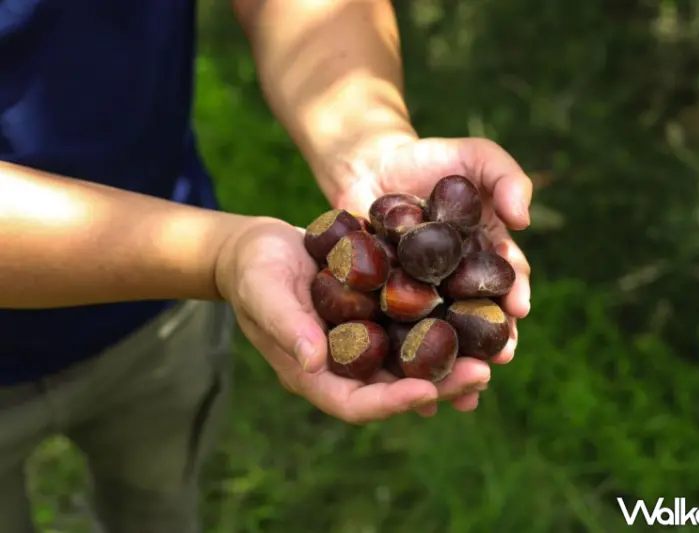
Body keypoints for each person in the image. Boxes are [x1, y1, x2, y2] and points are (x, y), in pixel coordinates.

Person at [0, 0, 533, 531]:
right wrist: (217, 256)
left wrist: (367, 142)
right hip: (164, 275)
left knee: (159, 498)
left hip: (159, 318)